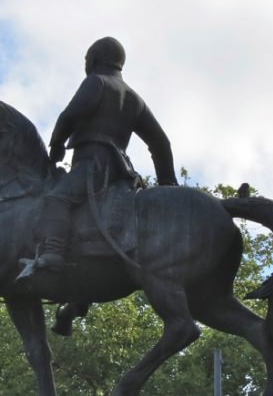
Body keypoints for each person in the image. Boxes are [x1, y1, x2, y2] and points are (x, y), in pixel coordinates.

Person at [20, 36, 178, 276]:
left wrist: (56, 146)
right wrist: (167, 182)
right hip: (121, 170)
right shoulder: (135, 99)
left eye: (86, 58)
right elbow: (160, 143)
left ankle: (52, 252)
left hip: (94, 163)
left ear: (93, 59)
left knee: (57, 199)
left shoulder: (96, 82)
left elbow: (69, 116)